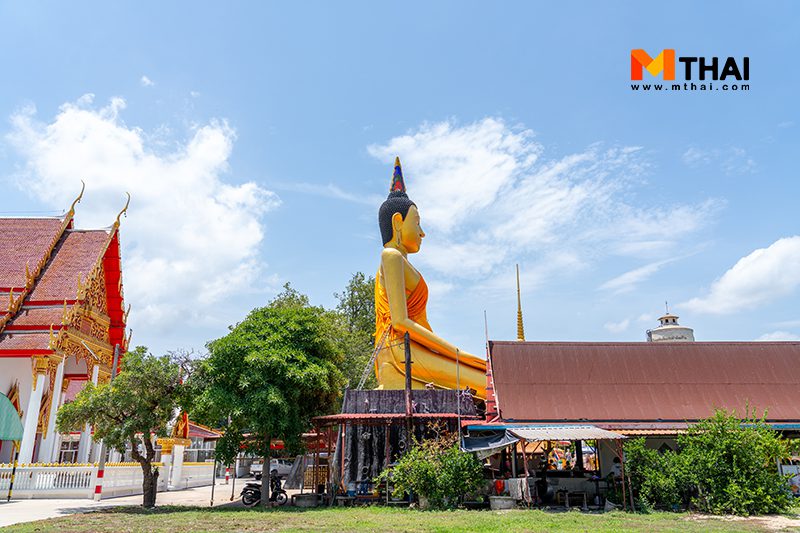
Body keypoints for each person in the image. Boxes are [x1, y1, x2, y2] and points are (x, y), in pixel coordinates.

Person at [373, 158, 487, 397]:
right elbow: (400, 322)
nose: (422, 232)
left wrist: (449, 353)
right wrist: (457, 353)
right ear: (397, 222)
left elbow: (419, 322)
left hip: (416, 349)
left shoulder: (405, 264)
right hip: (400, 350)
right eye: (417, 223)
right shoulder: (391, 256)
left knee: (486, 376)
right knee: (485, 386)